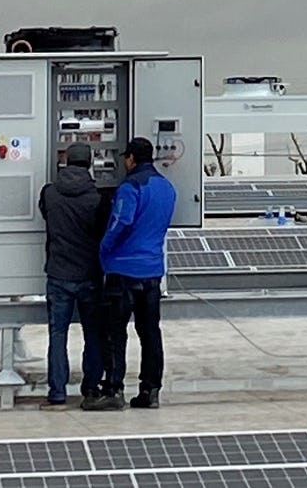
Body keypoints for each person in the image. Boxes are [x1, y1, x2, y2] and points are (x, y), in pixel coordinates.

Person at [91, 137, 177, 410]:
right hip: (152, 271)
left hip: (123, 269)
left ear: (131, 159)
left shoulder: (130, 187)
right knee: (150, 332)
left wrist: (103, 250)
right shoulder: (167, 187)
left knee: (115, 333)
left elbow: (121, 222)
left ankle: (114, 389)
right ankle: (150, 391)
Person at [37, 142, 108, 411]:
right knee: (93, 334)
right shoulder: (98, 198)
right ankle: (90, 388)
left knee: (58, 334)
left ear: (66, 161)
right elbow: (103, 231)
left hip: (58, 274)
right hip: (89, 275)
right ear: (89, 163)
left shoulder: (50, 193)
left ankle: (57, 393)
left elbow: (45, 213)